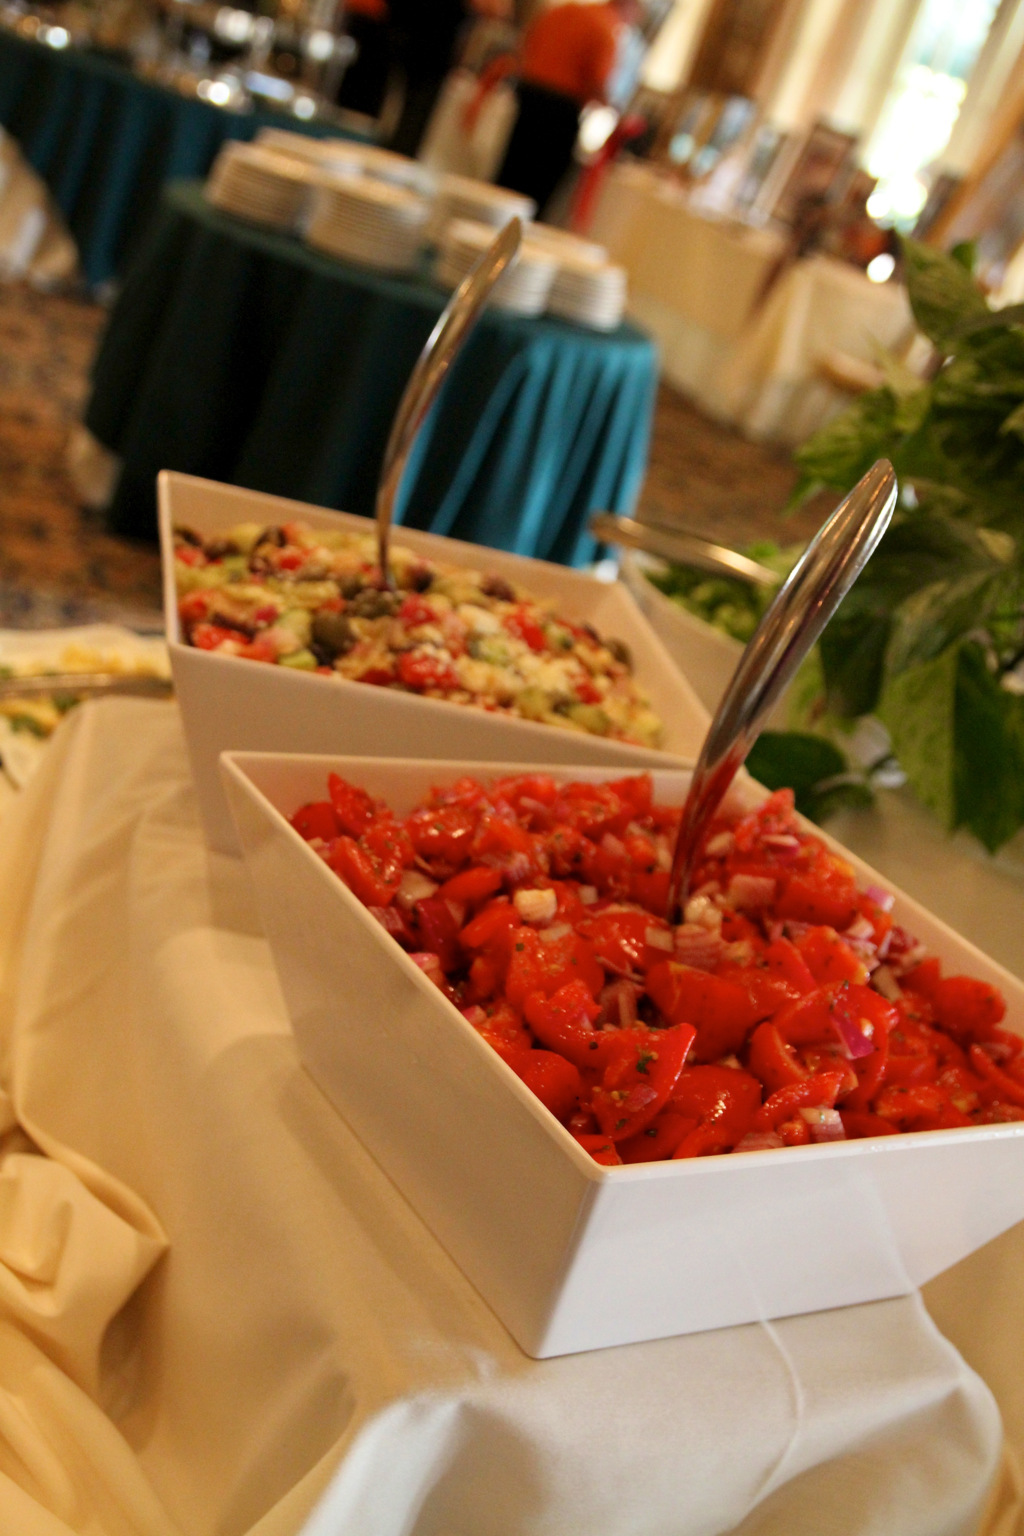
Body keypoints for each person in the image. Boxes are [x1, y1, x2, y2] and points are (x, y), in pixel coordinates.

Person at [496, 0, 641, 217]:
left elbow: (526, 45)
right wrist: (615, 112)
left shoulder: (562, 11)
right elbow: (596, 83)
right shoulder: (605, 29)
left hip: (528, 98)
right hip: (560, 111)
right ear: (629, 7)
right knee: (537, 190)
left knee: (510, 174)